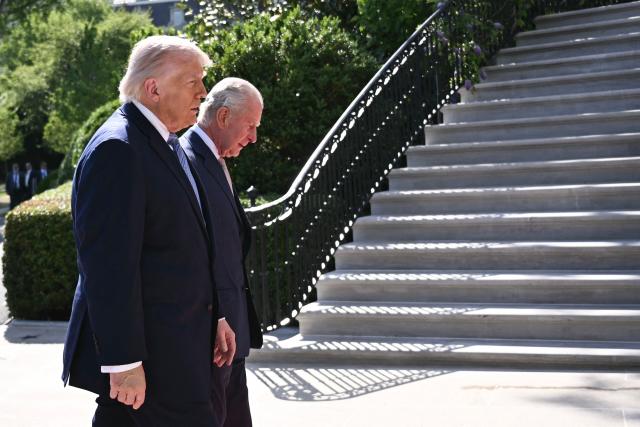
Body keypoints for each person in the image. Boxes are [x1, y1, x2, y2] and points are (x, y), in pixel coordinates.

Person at [62, 35, 226, 427]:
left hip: (178, 350)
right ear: (153, 88)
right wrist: (124, 362)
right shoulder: (118, 149)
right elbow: (108, 269)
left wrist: (215, 317)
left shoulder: (164, 142)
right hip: (151, 361)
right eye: (193, 81)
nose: (204, 93)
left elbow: (181, 246)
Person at [180, 77, 263, 427]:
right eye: (250, 126)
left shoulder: (213, 158)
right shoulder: (185, 158)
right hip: (213, 336)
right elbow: (193, 253)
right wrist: (216, 318)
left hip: (232, 333)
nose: (254, 138)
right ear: (225, 116)